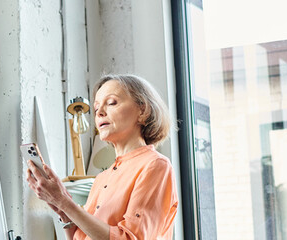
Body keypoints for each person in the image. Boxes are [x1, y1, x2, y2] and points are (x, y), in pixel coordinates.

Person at [25, 74, 178, 239]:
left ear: (143, 110)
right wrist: (62, 210)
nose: (100, 113)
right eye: (96, 108)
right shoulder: (101, 178)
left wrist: (64, 202)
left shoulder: (155, 165)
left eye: (112, 103)